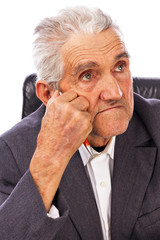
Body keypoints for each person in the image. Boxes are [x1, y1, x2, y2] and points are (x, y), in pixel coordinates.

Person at [0, 6, 160, 240]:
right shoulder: (10, 153)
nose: (115, 92)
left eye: (120, 67)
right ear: (48, 95)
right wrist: (51, 160)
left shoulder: (154, 123)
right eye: (88, 75)